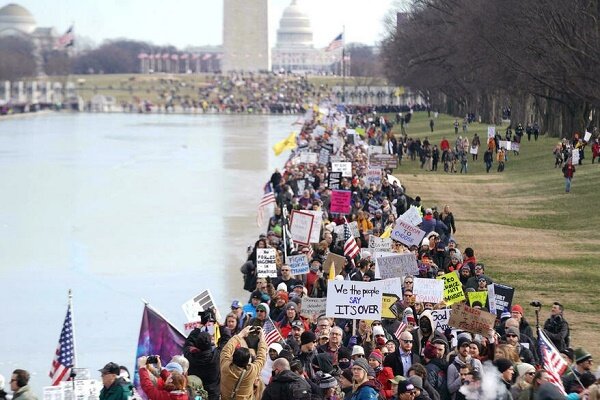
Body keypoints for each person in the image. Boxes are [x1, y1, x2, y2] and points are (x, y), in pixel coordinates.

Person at [220, 325, 267, 400]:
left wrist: (241, 334)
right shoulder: (252, 371)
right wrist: (262, 338)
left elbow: (227, 349)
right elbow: (262, 357)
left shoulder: (225, 366)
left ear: (233, 358)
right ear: (248, 361)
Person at [184, 329, 223, 400]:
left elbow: (188, 343)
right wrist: (221, 326)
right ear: (210, 343)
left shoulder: (189, 356)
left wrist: (199, 327)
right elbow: (226, 342)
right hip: (212, 395)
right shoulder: (216, 356)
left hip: (195, 394)